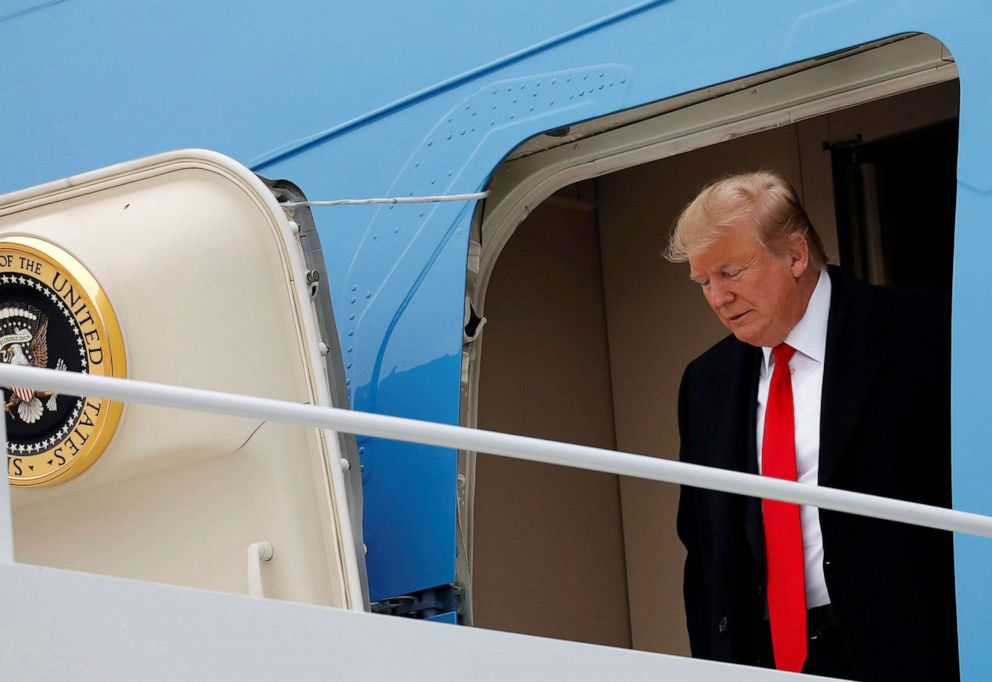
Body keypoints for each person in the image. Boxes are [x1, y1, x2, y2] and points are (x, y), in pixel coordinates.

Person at [665, 171, 957, 681]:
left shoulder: (925, 333)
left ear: (796, 255)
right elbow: (703, 551)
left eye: (732, 272)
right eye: (704, 282)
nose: (718, 298)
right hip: (762, 658)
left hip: (913, 650)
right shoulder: (704, 382)